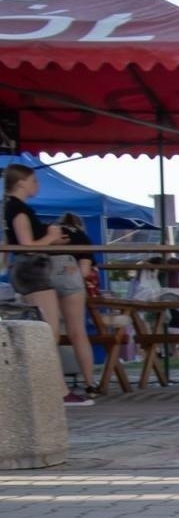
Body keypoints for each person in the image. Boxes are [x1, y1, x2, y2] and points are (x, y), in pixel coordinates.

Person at [4, 163, 95, 405]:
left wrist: (52, 242)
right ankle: (56, 390)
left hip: (31, 269)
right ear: (21, 182)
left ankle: (51, 388)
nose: (37, 185)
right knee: (47, 333)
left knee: (47, 332)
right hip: (33, 269)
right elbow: (26, 244)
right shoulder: (19, 209)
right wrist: (50, 238)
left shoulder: (14, 208)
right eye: (34, 181)